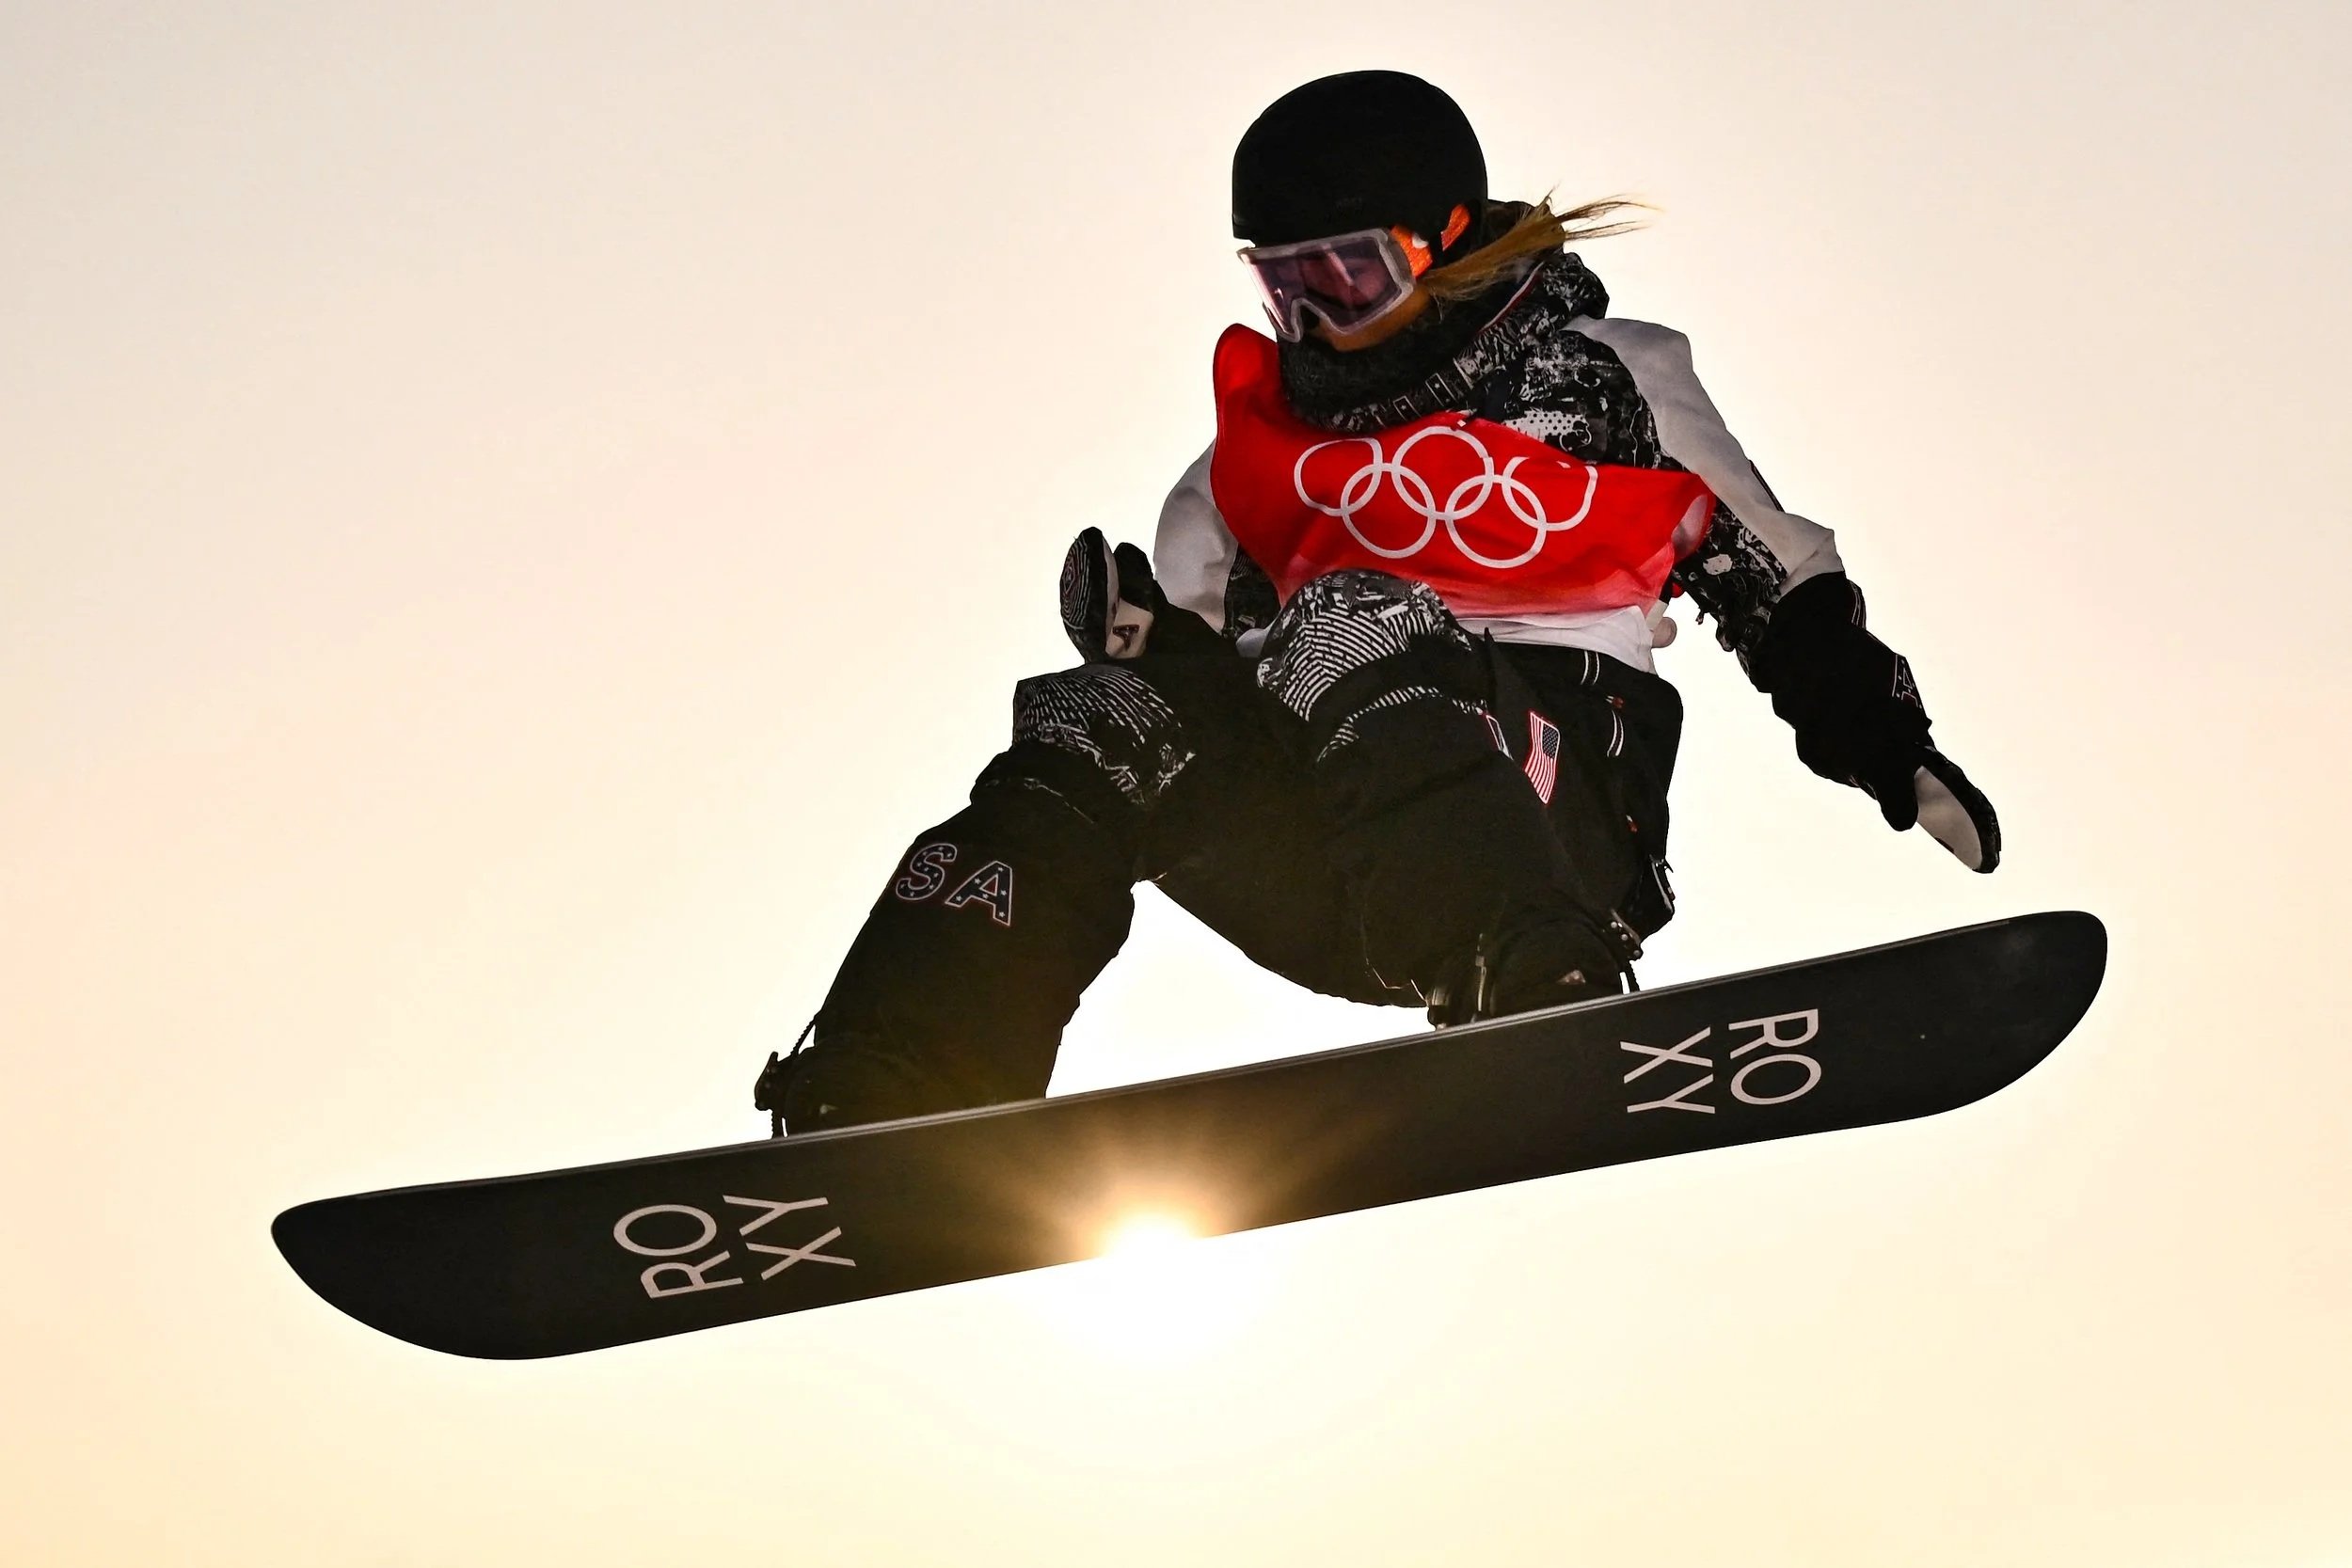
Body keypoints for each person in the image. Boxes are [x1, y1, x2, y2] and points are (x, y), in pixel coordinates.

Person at [757, 70, 2000, 1135]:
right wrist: (1155, 663)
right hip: (1343, 864)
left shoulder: (1607, 382)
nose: (1319, 323)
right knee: (1098, 716)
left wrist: (1884, 739)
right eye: (1286, 286)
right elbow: (1202, 714)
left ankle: (1540, 978)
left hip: (1554, 823)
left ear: (1448, 237)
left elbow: (1767, 577)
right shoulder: (1243, 471)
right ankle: (901, 1077)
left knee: (1355, 609)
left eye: (1352, 276)